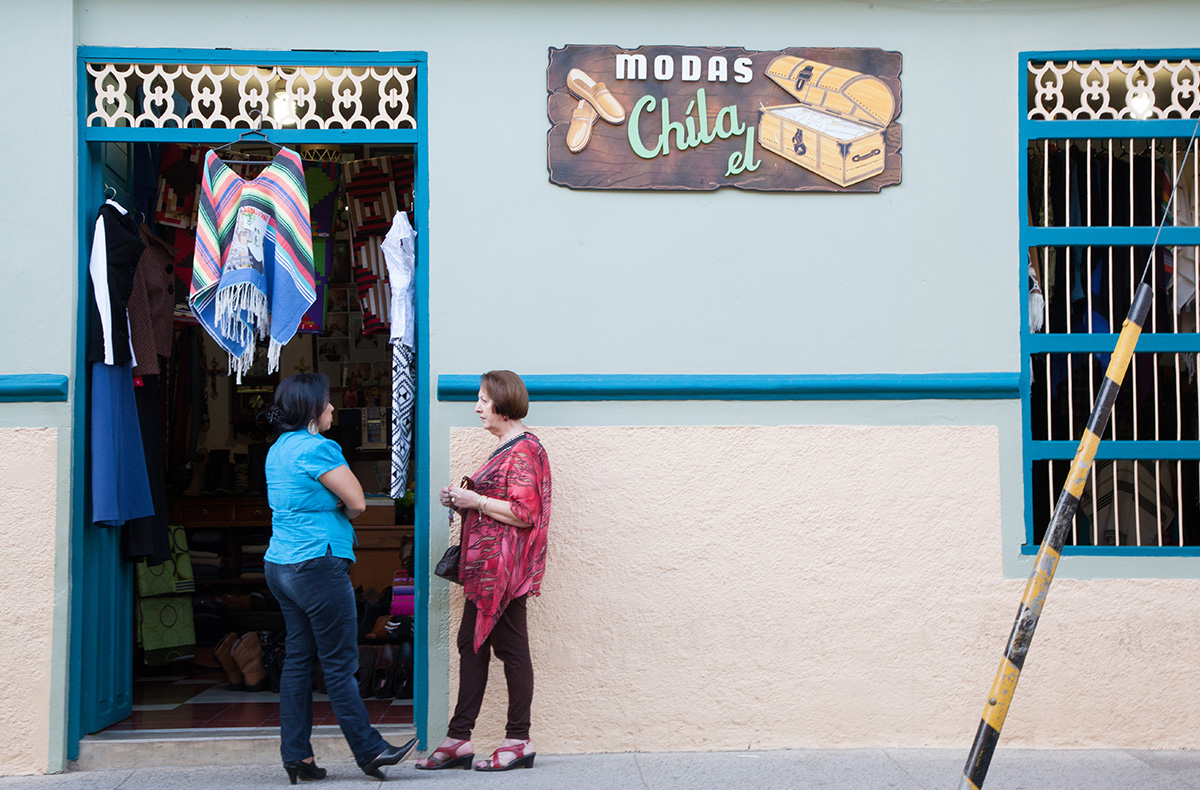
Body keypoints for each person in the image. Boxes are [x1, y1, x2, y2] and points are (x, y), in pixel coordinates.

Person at [261, 373, 416, 783]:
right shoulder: (318, 448)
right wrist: (338, 511)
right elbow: (358, 502)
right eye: (327, 402)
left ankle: (297, 756)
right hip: (317, 564)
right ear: (312, 409)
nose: (332, 408)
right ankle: (370, 750)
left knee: (298, 661)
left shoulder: (277, 449)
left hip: (280, 565)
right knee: (340, 663)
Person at [417, 370, 552, 772]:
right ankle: (459, 739)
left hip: (505, 573)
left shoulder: (523, 449)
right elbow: (498, 504)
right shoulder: (506, 447)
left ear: (503, 404)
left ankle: (518, 740)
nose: (477, 407)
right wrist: (462, 499)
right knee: (470, 644)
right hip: (487, 571)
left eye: (483, 400)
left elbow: (525, 513)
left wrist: (474, 500)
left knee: (511, 650)